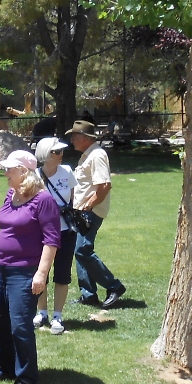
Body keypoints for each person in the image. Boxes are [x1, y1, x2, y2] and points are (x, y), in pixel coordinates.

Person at [0, 150, 59, 384]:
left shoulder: (43, 200)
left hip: (25, 271)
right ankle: (6, 367)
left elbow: (52, 240)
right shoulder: (12, 194)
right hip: (2, 268)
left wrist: (41, 274)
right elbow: (6, 228)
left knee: (20, 325)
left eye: (9, 169)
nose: (5, 173)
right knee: (0, 318)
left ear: (24, 171)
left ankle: (27, 379)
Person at [67, 120, 126, 308]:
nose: (71, 140)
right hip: (81, 211)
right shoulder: (87, 155)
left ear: (84, 138)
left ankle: (114, 286)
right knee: (79, 251)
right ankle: (89, 294)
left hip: (90, 212)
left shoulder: (97, 155)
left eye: (74, 136)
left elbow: (105, 185)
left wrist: (89, 205)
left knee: (82, 250)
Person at [33, 137, 77, 335]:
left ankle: (57, 315)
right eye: (56, 152)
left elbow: (72, 199)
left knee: (62, 273)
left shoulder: (67, 171)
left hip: (65, 230)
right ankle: (41, 312)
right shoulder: (34, 176)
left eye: (61, 151)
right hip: (41, 232)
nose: (61, 154)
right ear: (45, 154)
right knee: (41, 271)